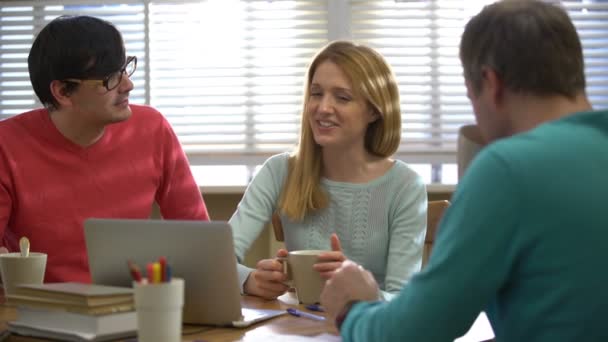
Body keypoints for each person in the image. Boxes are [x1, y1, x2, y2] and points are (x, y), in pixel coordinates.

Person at [320, 1, 608, 341]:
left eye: (472, 96)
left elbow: (415, 332)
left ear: (491, 83)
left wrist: (354, 308)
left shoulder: (506, 169)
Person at [0, 16, 209, 283]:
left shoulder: (151, 129)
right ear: (63, 91)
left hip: (134, 307)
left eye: (124, 69)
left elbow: (199, 238)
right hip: (40, 314)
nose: (128, 85)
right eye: (110, 78)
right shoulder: (7, 145)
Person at [230, 41, 427, 301]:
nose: (323, 108)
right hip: (299, 329)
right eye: (316, 93)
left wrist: (360, 288)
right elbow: (216, 261)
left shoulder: (405, 186)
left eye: (342, 97)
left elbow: (405, 300)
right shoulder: (278, 171)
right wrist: (249, 280)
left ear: (373, 111)